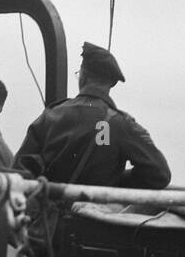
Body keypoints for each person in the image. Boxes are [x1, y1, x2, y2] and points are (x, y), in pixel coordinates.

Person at [14, 42, 171, 189]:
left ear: (83, 76)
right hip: (93, 216)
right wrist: (116, 181)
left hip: (48, 216)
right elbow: (160, 174)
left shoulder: (50, 116)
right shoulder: (122, 124)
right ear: (112, 83)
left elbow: (18, 171)